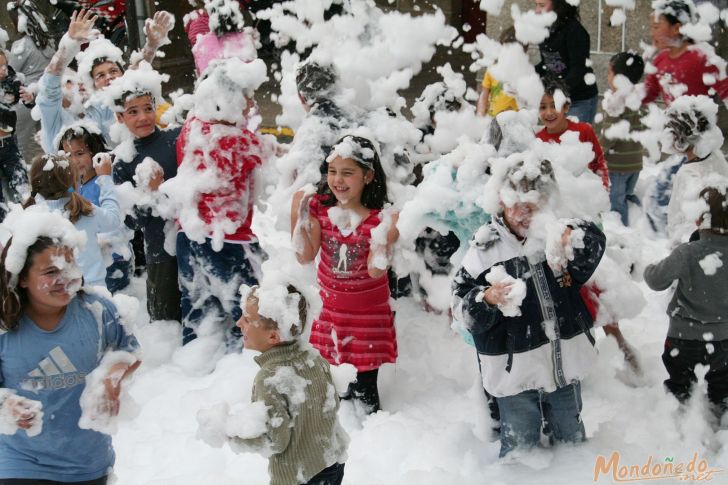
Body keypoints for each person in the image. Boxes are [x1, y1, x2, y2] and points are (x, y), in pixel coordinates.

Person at [452, 157, 606, 457]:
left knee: (571, 439)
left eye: (535, 202)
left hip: (564, 363)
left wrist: (574, 236)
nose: (524, 211)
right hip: (514, 373)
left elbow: (593, 252)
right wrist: (486, 299)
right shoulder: (485, 251)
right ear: (500, 200)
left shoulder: (557, 236)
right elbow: (460, 306)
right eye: (516, 202)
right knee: (520, 446)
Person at [0, 212, 139, 484]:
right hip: (20, 461)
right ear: (23, 278)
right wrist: (6, 405)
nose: (64, 277)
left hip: (87, 463)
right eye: (50, 271)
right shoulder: (5, 326)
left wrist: (111, 378)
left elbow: (130, 352)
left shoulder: (98, 311)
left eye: (70, 266)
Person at [291, 135, 399, 414]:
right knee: (334, 382)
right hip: (331, 310)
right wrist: (298, 212)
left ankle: (371, 442)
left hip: (367, 315)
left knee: (365, 389)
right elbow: (304, 255)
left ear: (368, 176)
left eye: (348, 173)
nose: (338, 180)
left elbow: (376, 270)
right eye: (332, 171)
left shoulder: (379, 218)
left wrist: (385, 236)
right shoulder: (321, 210)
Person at [173, 59, 267, 345]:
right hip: (230, 241)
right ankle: (244, 359)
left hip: (188, 235)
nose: (250, 105)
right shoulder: (238, 142)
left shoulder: (191, 129)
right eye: (246, 98)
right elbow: (269, 155)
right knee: (249, 305)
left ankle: (192, 357)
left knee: (196, 305)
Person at [230, 284, 348, 485]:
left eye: (248, 320)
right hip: (332, 461)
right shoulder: (314, 358)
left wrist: (233, 433)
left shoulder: (269, 379)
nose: (239, 322)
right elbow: (332, 403)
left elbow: (274, 440)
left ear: (273, 336)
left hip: (299, 476)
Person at [644, 185, 728, 421]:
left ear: (700, 217)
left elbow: (656, 280)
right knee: (722, 382)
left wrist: (648, 269)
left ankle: (680, 423)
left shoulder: (688, 252)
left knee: (680, 382)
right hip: (723, 339)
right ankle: (720, 418)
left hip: (684, 338)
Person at [36, 8, 174, 151]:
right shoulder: (54, 119)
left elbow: (133, 76)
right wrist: (68, 46)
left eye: (113, 71)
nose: (109, 77)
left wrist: (151, 46)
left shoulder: (105, 107)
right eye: (100, 75)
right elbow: (49, 88)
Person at [109, 79, 182, 322]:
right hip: (160, 249)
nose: (143, 117)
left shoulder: (176, 138)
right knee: (164, 320)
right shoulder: (122, 162)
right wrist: (151, 192)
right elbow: (131, 222)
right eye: (133, 112)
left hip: (191, 239)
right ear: (120, 117)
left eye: (148, 108)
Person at [22, 153, 121, 289]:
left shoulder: (29, 217)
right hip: (94, 291)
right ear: (73, 184)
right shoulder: (86, 211)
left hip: (54, 293)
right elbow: (113, 220)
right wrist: (105, 178)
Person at [58, 124, 132, 293]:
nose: (74, 161)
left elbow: (114, 220)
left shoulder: (105, 180)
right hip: (90, 261)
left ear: (95, 153)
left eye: (80, 153)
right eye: (68, 156)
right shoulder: (76, 185)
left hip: (114, 259)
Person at [663, 96, 728, 244]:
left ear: (679, 139)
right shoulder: (717, 157)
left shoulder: (687, 174)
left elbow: (676, 220)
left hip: (695, 245)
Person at [644, 0, 728, 107]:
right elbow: (647, 93)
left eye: (656, 27)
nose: (652, 33)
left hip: (699, 122)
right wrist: (622, 88)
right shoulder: (660, 60)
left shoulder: (701, 57)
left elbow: (725, 90)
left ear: (677, 28)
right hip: (672, 122)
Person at [535, 75, 609, 189]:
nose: (549, 112)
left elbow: (598, 164)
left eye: (554, 106)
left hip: (585, 195)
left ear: (566, 107)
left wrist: (603, 188)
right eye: (543, 107)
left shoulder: (584, 130)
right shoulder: (537, 140)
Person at [600, 52, 646, 226]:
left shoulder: (616, 102)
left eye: (610, 72)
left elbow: (609, 135)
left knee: (616, 204)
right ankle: (638, 218)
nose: (607, 76)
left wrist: (597, 152)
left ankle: (622, 234)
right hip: (635, 162)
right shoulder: (638, 97)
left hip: (617, 165)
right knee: (626, 196)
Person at [534, 0, 599, 124]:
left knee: (574, 141)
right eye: (536, 5)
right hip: (556, 100)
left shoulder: (574, 31)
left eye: (542, 5)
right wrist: (526, 73)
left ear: (559, 5)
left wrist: (556, 92)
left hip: (579, 100)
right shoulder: (544, 30)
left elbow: (578, 70)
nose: (537, 10)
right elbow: (546, 64)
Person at [6, 0, 55, 161]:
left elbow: (10, 71)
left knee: (20, 144)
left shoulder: (21, 45)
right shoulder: (49, 42)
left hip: (25, 99)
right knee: (47, 142)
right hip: (47, 96)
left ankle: (29, 178)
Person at [0, 50, 31, 221]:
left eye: (4, 65)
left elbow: (22, 100)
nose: (2, 70)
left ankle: (30, 221)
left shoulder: (12, 81)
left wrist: (30, 98)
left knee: (22, 187)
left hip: (8, 143)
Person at [476, 27, 521, 118]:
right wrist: (480, 114)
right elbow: (484, 95)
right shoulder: (493, 70)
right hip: (493, 119)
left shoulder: (523, 72)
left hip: (515, 121)